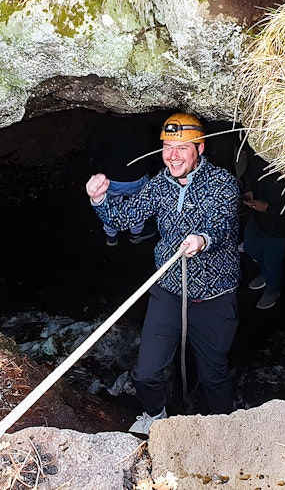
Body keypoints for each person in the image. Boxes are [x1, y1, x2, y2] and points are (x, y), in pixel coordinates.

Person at [85, 112, 240, 435]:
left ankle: (226, 427)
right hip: (169, 292)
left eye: (182, 148)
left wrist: (202, 240)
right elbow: (127, 215)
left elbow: (222, 225)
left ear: (200, 148)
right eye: (168, 147)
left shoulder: (222, 182)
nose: (172, 156)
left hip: (214, 298)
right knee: (145, 374)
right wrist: (98, 198)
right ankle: (155, 414)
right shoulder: (160, 185)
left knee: (215, 375)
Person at [241, 153, 285, 309]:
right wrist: (248, 190)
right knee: (250, 248)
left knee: (272, 265)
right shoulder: (267, 155)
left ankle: (273, 290)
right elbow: (251, 170)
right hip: (257, 218)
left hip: (278, 229)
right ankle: (265, 273)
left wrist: (268, 208)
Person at [86, 112, 157, 246]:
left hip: (110, 179)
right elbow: (150, 148)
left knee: (109, 206)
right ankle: (136, 234)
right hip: (136, 178)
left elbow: (92, 149)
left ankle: (111, 237)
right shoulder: (141, 123)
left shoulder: (103, 124)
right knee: (138, 207)